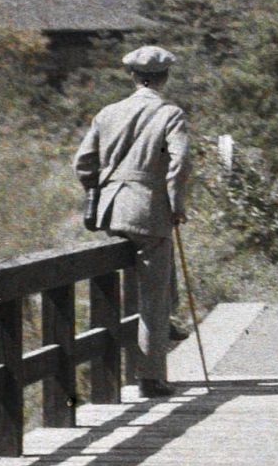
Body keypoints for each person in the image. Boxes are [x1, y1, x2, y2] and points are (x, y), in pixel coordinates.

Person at [74, 45, 191, 398]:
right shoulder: (170, 113)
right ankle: (151, 376)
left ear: (133, 76)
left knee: (121, 293)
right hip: (148, 211)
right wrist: (176, 203)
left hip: (112, 211)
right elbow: (180, 163)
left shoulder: (108, 112)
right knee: (152, 295)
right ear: (165, 77)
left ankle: (117, 372)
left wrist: (97, 189)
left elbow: (83, 163)